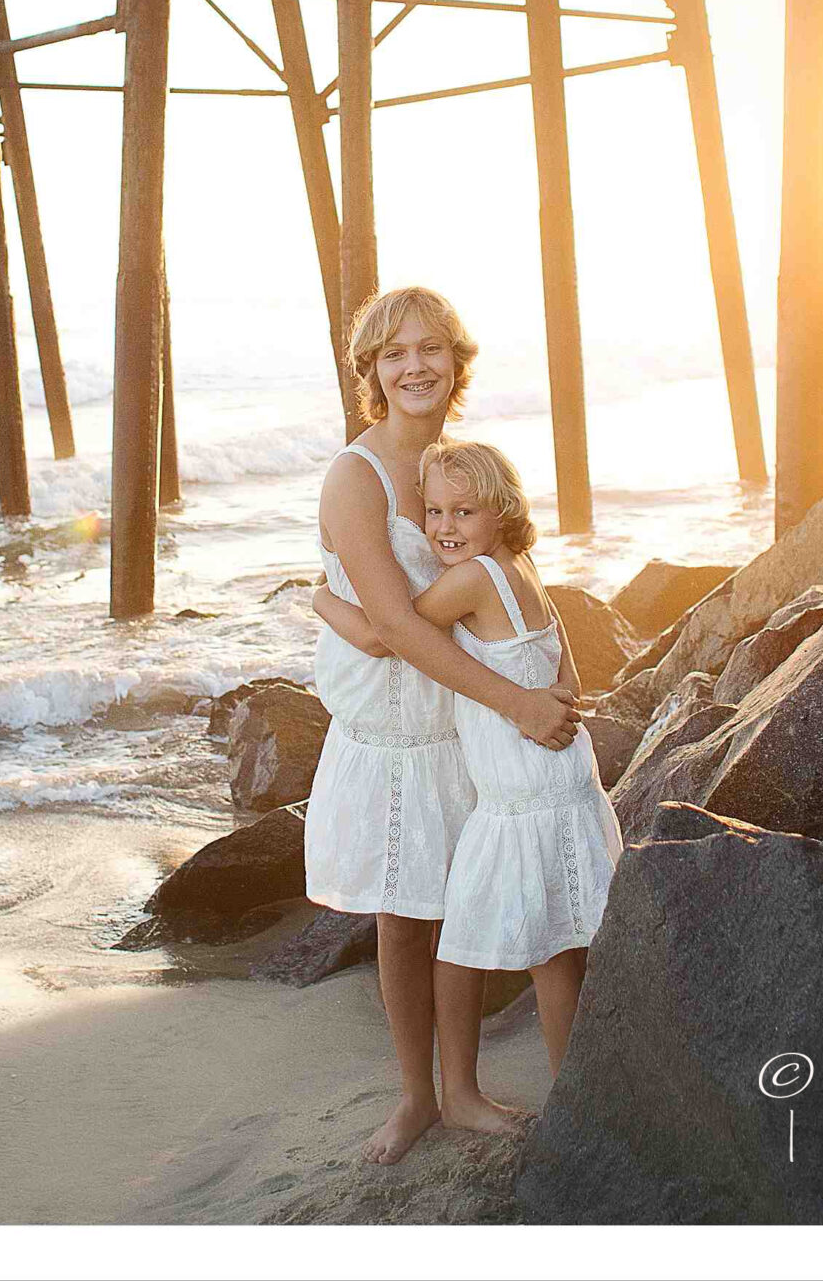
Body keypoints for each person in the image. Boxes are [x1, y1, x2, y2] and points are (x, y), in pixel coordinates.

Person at [304, 286, 585, 1165]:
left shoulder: (461, 467)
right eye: (394, 353)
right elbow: (394, 626)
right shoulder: (357, 477)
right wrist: (519, 702)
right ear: (371, 373)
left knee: (463, 903)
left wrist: (559, 681)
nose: (415, 366)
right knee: (403, 913)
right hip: (398, 731)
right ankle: (417, 1096)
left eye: (431, 349)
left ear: (457, 363)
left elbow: (515, 573)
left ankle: (462, 1091)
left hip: (468, 720)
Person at [318, 438, 620, 1099]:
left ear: (501, 512)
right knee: (557, 951)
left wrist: (321, 601)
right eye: (433, 512)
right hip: (564, 779)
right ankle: (580, 1096)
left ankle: (467, 1092)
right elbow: (567, 675)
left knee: (460, 946)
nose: (444, 529)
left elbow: (388, 634)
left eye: (464, 513)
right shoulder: (525, 568)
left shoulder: (471, 580)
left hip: (515, 797)